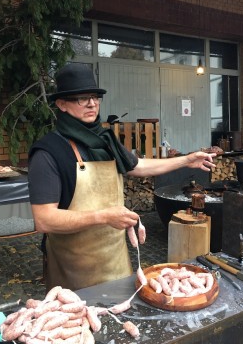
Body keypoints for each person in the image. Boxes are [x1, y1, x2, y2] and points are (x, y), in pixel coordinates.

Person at [28, 63, 216, 292]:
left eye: (95, 97)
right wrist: (103, 216)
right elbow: (44, 219)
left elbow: (137, 165)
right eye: (81, 98)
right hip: (73, 271)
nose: (92, 103)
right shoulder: (48, 152)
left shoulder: (105, 141)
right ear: (61, 104)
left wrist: (186, 160)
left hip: (116, 263)